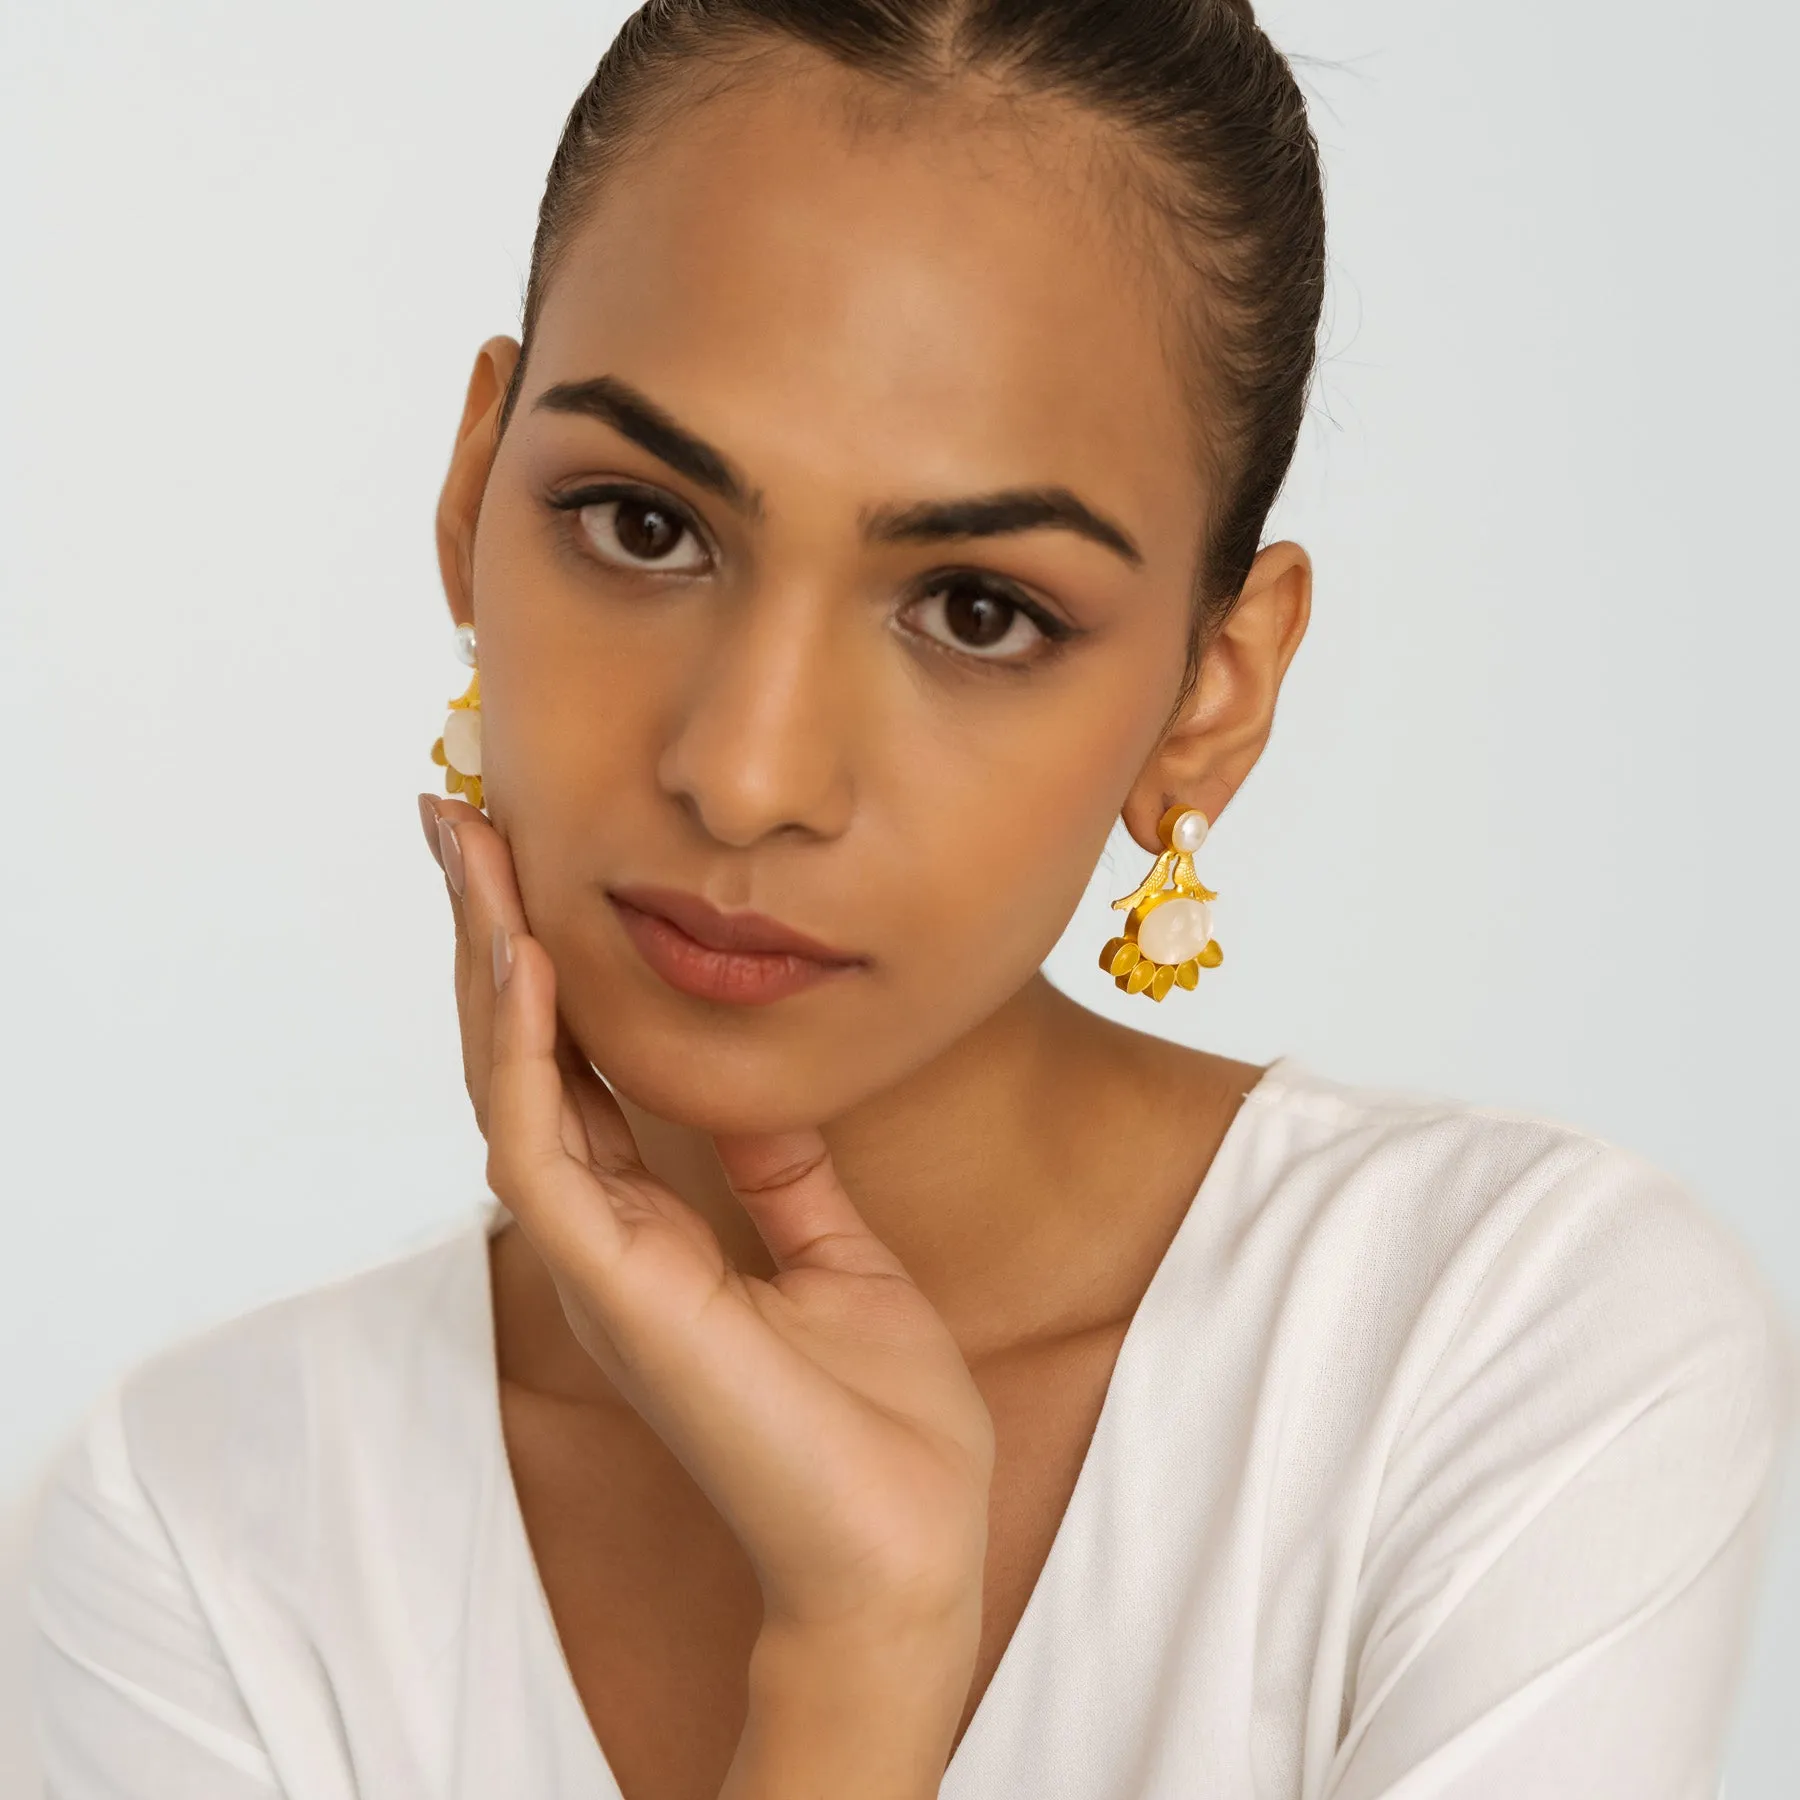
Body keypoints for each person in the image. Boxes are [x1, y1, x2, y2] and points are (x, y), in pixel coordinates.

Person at [26, 2, 1795, 1796]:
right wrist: (858, 1655)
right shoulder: (206, 1525)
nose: (750, 772)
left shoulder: (1493, 1353)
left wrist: (867, 1617)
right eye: (644, 523)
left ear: (1214, 693)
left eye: (976, 609)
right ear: (476, 488)